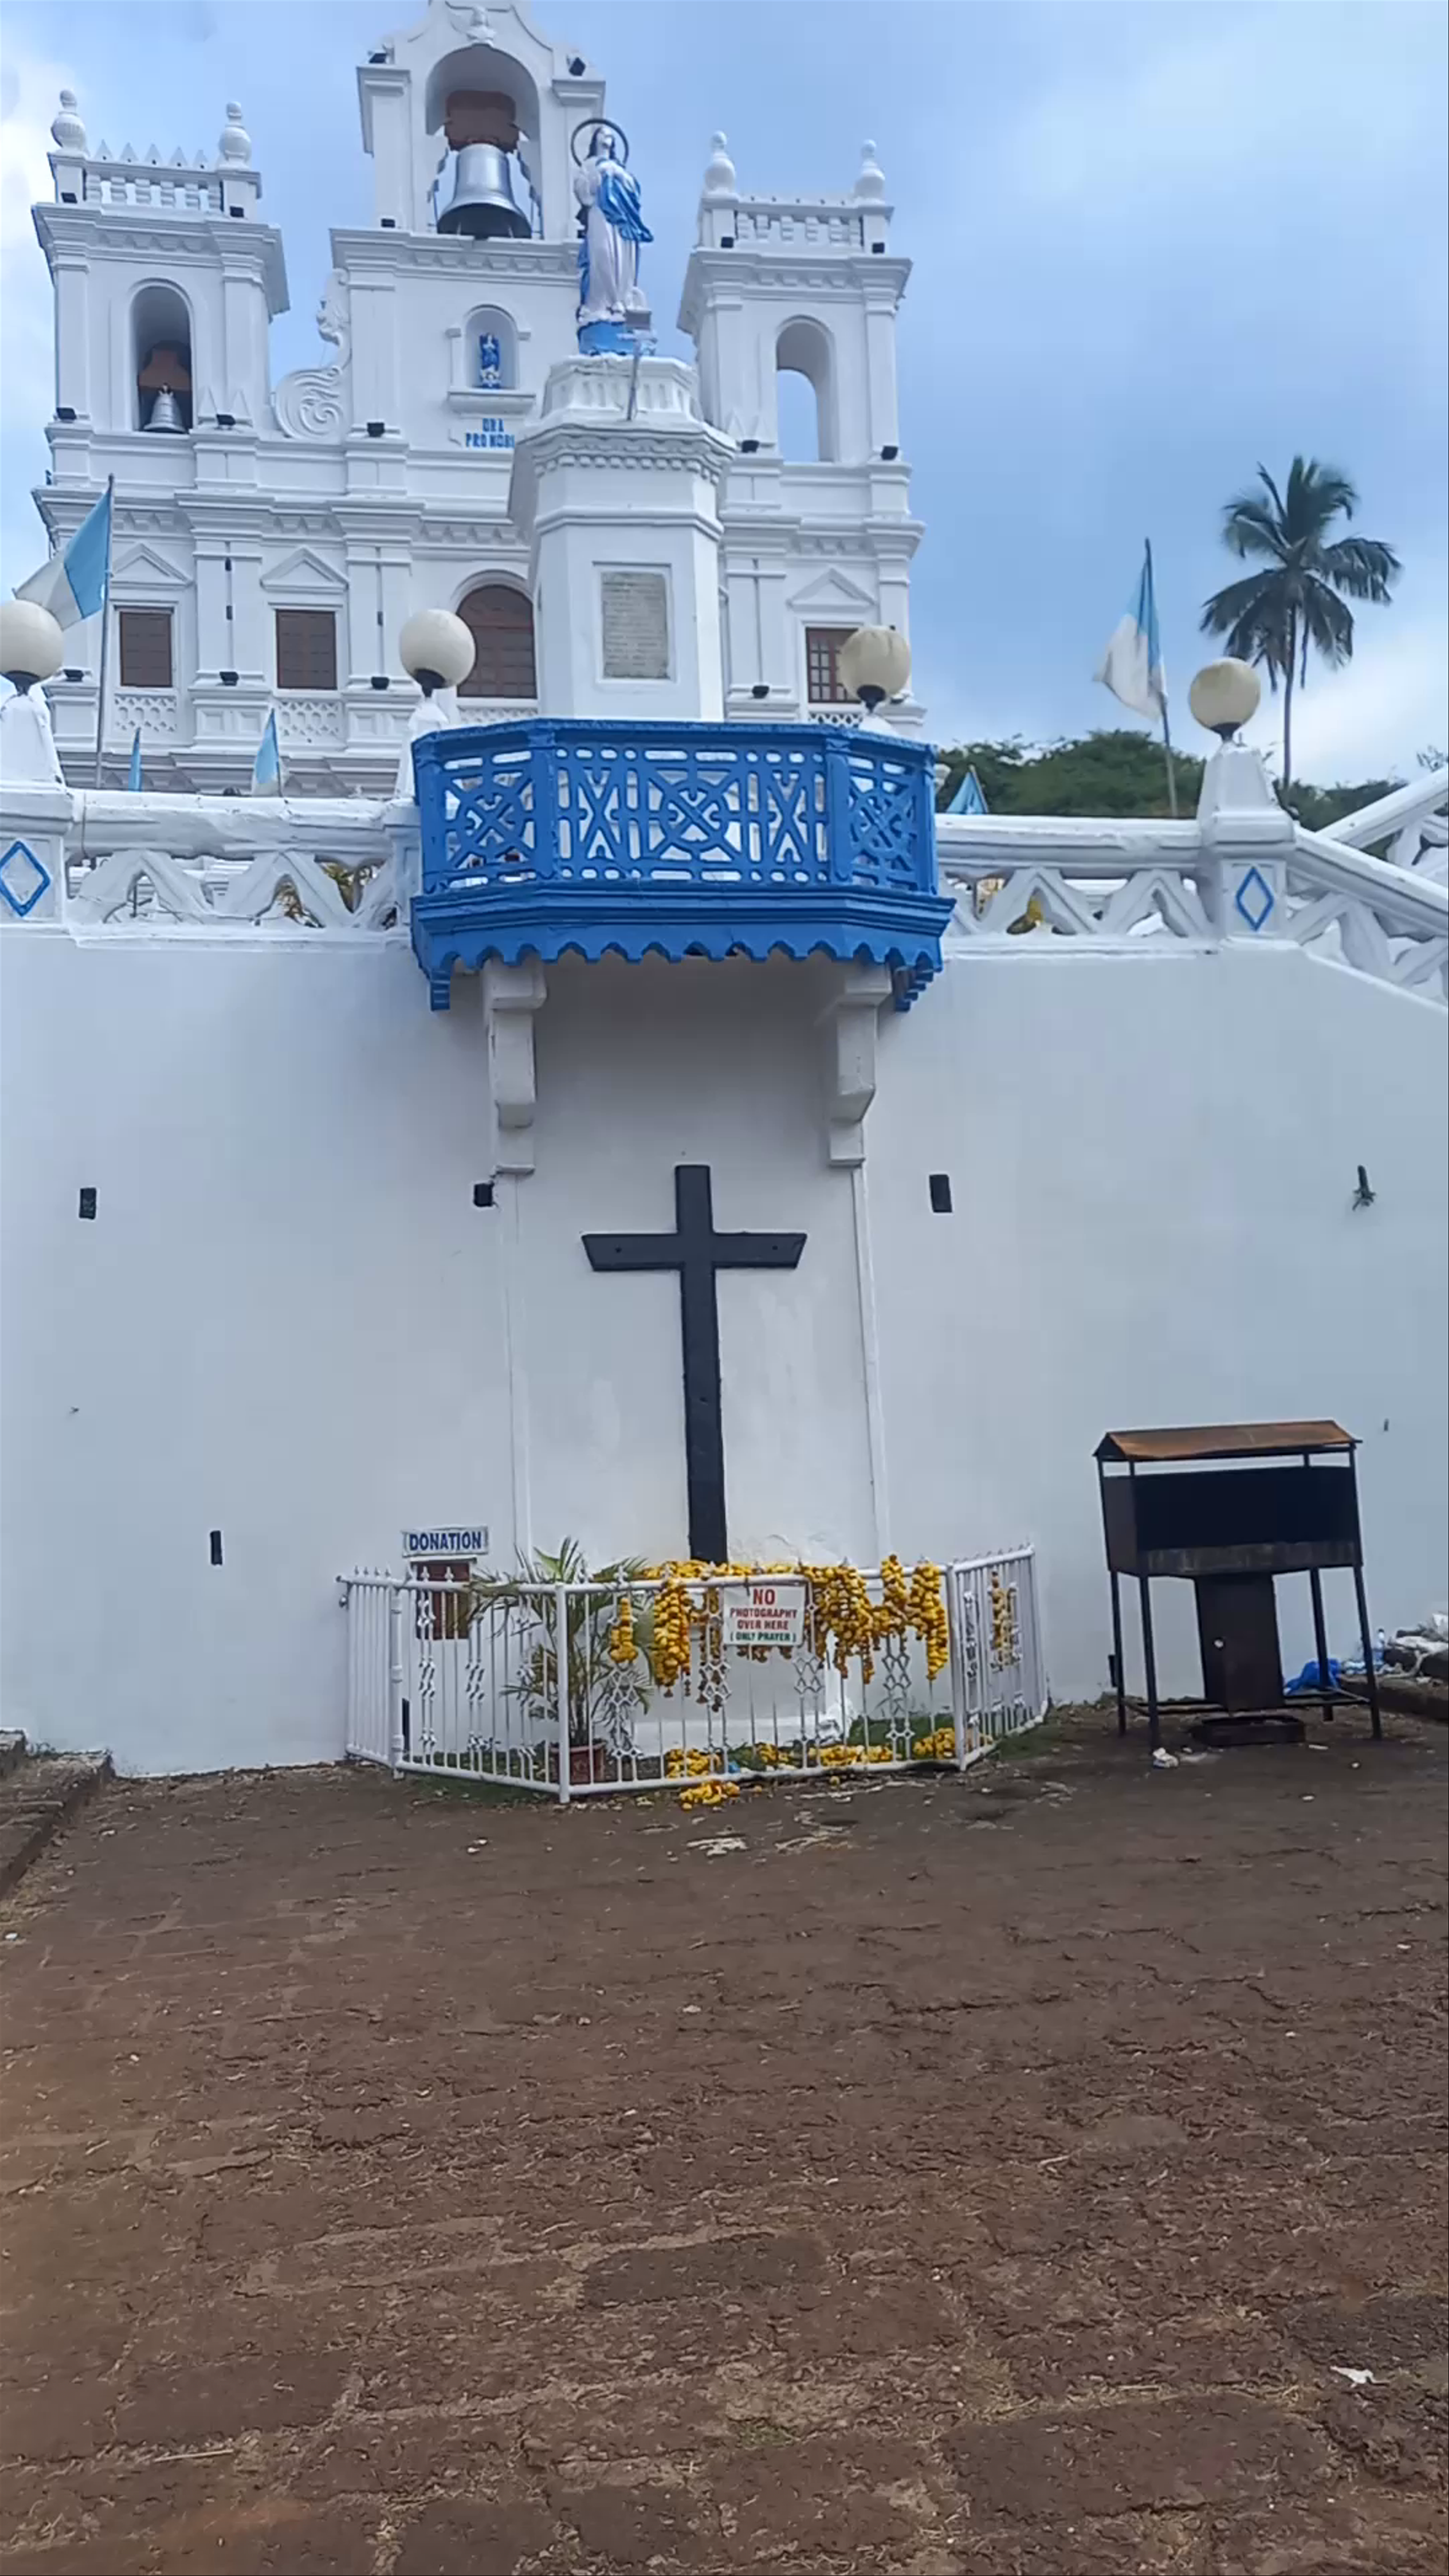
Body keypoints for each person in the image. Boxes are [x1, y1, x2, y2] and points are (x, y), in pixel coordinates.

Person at [575, 127, 651, 346]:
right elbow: (583, 191)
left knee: (622, 260)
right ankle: (603, 303)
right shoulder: (589, 165)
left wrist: (617, 174)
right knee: (602, 253)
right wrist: (599, 176)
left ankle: (620, 300)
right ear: (596, 140)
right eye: (603, 134)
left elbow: (634, 191)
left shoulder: (620, 169)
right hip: (600, 215)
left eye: (610, 136)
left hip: (621, 221)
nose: (607, 138)